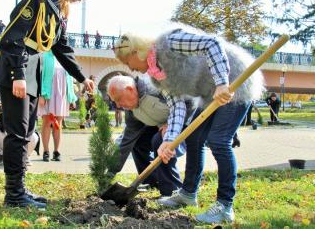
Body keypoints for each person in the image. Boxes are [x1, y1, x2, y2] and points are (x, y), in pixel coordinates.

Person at [113, 25, 263, 223]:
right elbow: (177, 107)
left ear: (135, 51)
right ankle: (188, 194)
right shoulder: (156, 77)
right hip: (211, 94)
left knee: (218, 140)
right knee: (194, 138)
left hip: (235, 81)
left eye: (126, 61)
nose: (129, 67)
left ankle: (225, 206)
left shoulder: (170, 43)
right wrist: (169, 140)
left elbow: (212, 43)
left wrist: (221, 82)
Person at [0, 0, 96, 209]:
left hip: (34, 70)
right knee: (17, 133)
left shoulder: (59, 9)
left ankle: (20, 189)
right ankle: (14, 195)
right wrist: (17, 74)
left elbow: (61, 48)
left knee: (27, 133)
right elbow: (10, 38)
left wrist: (81, 77)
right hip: (17, 69)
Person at [107, 75, 200, 197]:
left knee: (159, 141)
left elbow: (190, 102)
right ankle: (152, 181)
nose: (118, 106)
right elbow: (127, 140)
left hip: (190, 122)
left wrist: (172, 125)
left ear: (130, 89)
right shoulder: (131, 110)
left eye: (119, 99)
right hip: (165, 126)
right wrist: (109, 173)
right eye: (115, 102)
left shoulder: (154, 87)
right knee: (137, 141)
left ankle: (171, 190)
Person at [38, 52, 77, 162]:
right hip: (47, 93)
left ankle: (56, 151)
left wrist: (71, 97)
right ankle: (46, 151)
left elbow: (70, 79)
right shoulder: (44, 56)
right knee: (46, 122)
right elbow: (39, 76)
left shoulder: (65, 56)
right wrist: (41, 94)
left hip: (61, 95)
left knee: (57, 124)